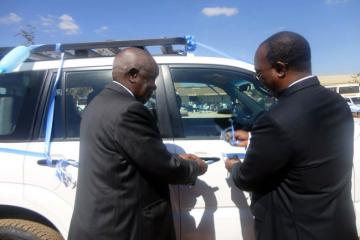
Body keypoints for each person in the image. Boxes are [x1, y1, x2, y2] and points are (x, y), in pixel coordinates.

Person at [225, 31, 357, 239]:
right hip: (337, 227)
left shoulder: (275, 119)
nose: (261, 80)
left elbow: (247, 179)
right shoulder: (337, 103)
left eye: (260, 74)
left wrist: (234, 167)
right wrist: (256, 139)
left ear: (279, 69)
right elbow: (305, 149)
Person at [68, 47, 207, 240]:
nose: (154, 86)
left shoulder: (98, 103)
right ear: (133, 75)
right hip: (125, 228)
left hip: (102, 222)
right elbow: (163, 167)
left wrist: (171, 157)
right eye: (151, 79)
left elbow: (130, 156)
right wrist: (195, 167)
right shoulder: (129, 110)